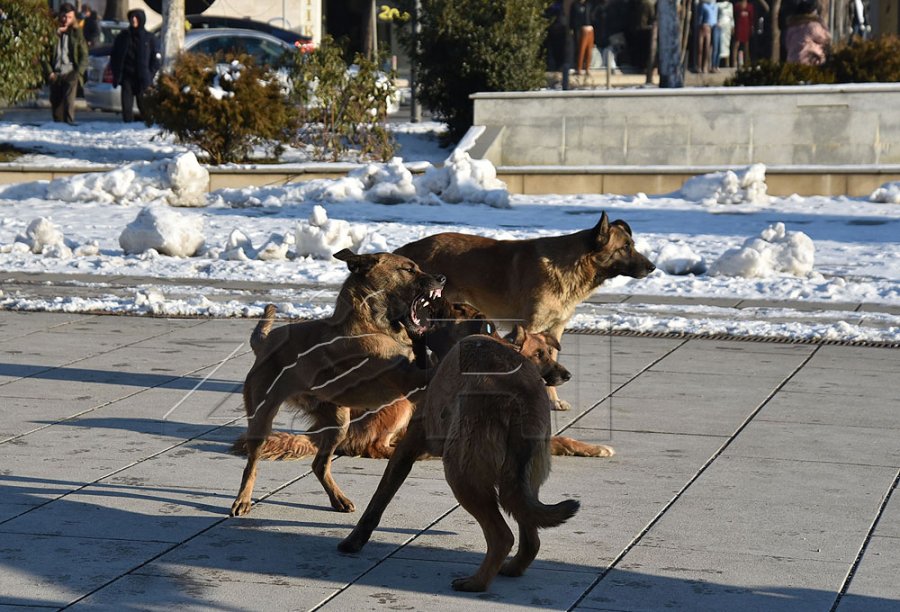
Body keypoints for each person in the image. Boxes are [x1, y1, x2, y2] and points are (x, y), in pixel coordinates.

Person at [109, 9, 160, 122]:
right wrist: (117, 72)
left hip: (142, 78)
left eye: (136, 17)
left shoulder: (149, 38)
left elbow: (155, 60)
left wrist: (149, 74)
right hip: (127, 77)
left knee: (145, 108)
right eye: (132, 17)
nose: (134, 20)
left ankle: (146, 127)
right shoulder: (123, 37)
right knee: (127, 108)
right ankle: (127, 127)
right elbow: (115, 56)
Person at [42, 2, 88, 125]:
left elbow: (84, 55)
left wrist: (78, 73)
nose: (66, 20)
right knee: (56, 107)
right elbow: (43, 54)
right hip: (55, 73)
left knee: (69, 104)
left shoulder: (76, 32)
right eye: (64, 16)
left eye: (69, 17)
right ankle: (58, 129)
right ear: (60, 16)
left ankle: (69, 127)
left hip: (70, 72)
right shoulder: (51, 31)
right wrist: (49, 72)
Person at [784, 0, 830, 65]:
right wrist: (822, 24)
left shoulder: (792, 27)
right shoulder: (813, 26)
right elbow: (825, 38)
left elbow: (787, 44)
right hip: (809, 61)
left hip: (792, 61)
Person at [570, 0, 596, 76]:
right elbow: (572, 17)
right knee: (581, 49)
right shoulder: (575, 5)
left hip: (590, 28)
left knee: (589, 50)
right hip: (581, 28)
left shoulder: (589, 4)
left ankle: (587, 68)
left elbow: (593, 15)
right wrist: (572, 27)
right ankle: (579, 68)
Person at [696, 0, 719, 73]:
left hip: (710, 28)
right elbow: (700, 17)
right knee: (700, 49)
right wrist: (700, 25)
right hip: (702, 27)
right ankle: (699, 66)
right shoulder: (703, 5)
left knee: (707, 48)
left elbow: (714, 18)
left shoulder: (715, 6)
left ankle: (705, 66)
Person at [732, 0, 755, 67]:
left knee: (746, 46)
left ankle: (746, 62)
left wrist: (752, 27)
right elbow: (734, 17)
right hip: (738, 27)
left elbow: (751, 18)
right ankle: (734, 62)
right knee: (736, 45)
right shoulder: (737, 6)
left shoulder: (750, 6)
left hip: (746, 28)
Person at [714, 0, 734, 71]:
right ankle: (717, 64)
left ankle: (727, 63)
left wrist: (732, 26)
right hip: (720, 26)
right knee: (719, 45)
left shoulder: (730, 5)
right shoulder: (717, 5)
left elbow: (731, 17)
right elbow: (715, 15)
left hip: (727, 26)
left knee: (727, 44)